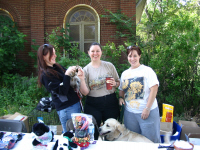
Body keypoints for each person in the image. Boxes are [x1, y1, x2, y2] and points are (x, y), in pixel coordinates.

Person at [37, 44, 86, 133]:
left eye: (55, 53)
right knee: (70, 135)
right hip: (67, 109)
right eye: (52, 54)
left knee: (77, 133)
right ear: (43, 57)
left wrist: (74, 72)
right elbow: (62, 91)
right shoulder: (45, 75)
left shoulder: (56, 67)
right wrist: (67, 74)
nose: (55, 56)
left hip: (74, 105)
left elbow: (66, 81)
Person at [118, 45, 160, 143]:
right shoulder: (124, 73)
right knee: (133, 142)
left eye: (135, 56)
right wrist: (121, 97)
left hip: (147, 113)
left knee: (151, 142)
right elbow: (121, 89)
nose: (132, 59)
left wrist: (147, 108)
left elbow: (154, 89)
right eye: (130, 56)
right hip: (130, 114)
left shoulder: (147, 71)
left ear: (140, 56)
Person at [81, 42, 120, 140]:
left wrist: (115, 84)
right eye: (93, 51)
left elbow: (118, 82)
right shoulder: (85, 70)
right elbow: (85, 92)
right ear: (88, 53)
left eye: (98, 51)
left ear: (101, 52)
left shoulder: (109, 66)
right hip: (93, 104)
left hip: (110, 102)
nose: (95, 53)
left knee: (111, 134)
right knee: (92, 133)